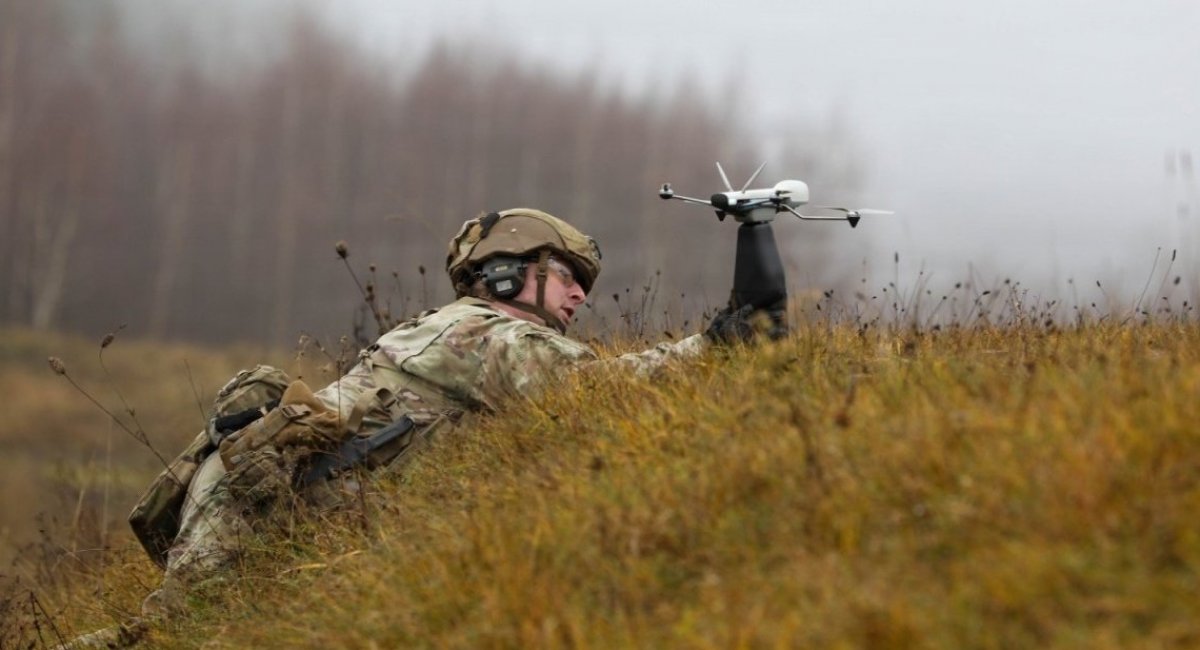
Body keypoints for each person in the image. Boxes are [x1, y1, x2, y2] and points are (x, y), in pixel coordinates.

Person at [66, 208, 768, 648]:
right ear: (504, 276)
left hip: (273, 525)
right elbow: (596, 395)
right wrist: (715, 346)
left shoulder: (447, 331)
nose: (582, 293)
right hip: (278, 530)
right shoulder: (481, 332)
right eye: (565, 275)